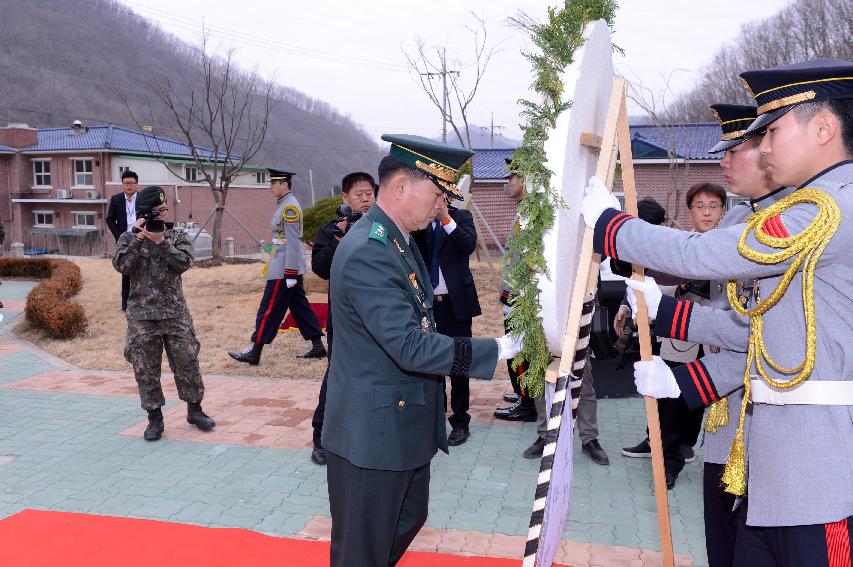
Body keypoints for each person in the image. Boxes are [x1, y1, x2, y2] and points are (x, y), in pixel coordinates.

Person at [582, 59, 853, 566]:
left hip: (821, 473)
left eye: (771, 131)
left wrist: (611, 226)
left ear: (823, 127)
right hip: (774, 469)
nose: (763, 147)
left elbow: (703, 254)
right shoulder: (813, 206)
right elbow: (760, 332)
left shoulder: (829, 208)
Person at [321, 134, 521, 567]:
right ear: (401, 188)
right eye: (436, 194)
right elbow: (410, 345)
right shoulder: (369, 251)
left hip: (401, 424)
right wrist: (499, 349)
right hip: (371, 434)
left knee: (403, 523)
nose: (440, 207)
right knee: (362, 551)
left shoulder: (399, 240)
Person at [621, 184, 726, 490]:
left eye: (713, 206)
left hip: (721, 339)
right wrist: (638, 302)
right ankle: (662, 452)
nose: (706, 212)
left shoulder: (733, 245)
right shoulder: (680, 245)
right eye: (699, 206)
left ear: (722, 210)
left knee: (697, 401)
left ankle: (678, 454)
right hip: (681, 336)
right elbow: (659, 286)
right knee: (668, 396)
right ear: (689, 211)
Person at [113, 185, 215, 441]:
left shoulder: (177, 236)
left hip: (174, 313)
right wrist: (138, 238)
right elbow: (122, 266)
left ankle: (195, 409)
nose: (163, 214)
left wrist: (161, 242)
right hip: (142, 317)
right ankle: (154, 418)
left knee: (187, 361)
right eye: (157, 211)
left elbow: (184, 263)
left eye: (164, 209)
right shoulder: (128, 238)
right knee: (145, 369)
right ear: (144, 214)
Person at [309, 171, 376, 465]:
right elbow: (321, 269)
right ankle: (321, 435)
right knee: (337, 373)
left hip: (376, 314)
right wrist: (340, 239)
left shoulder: (382, 227)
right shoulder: (331, 230)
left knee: (375, 373)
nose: (365, 198)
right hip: (345, 315)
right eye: (358, 194)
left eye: (369, 193)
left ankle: (366, 433)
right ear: (345, 198)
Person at [228, 169, 326, 365]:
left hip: (284, 268)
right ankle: (317, 346)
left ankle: (255, 351)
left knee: (269, 308)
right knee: (299, 307)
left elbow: (291, 240)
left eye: (274, 183)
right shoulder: (285, 204)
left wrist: (290, 273)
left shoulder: (290, 207)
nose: (270, 187)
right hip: (284, 264)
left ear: (285, 184)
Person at [412, 194, 480, 446]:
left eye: (441, 196)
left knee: (459, 363)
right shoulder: (421, 222)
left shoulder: (461, 217)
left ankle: (461, 421)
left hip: (456, 305)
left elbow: (468, 245)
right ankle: (434, 414)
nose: (436, 201)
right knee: (431, 362)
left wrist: (446, 219)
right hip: (429, 306)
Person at [494, 160, 537, 422]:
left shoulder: (532, 214)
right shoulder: (523, 211)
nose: (510, 180)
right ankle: (523, 394)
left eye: (514, 176)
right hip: (514, 293)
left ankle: (527, 403)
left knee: (520, 351)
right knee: (516, 349)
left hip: (523, 296)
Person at [106, 170, 139, 311]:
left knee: (142, 269)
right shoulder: (116, 199)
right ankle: (125, 304)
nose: (129, 186)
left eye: (132, 183)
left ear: (137, 185)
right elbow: (109, 219)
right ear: (122, 185)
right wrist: (119, 236)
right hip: (124, 240)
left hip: (141, 238)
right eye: (126, 183)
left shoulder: (144, 198)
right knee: (126, 271)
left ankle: (140, 300)